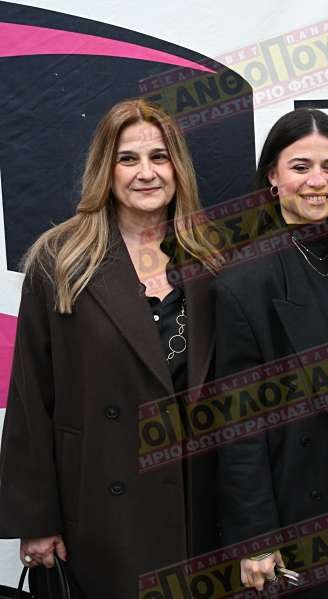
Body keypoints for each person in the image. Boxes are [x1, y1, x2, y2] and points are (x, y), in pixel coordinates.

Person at [0, 98, 223, 597]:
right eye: (128, 159)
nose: (146, 173)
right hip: (97, 509)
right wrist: (36, 519)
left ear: (178, 168)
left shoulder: (211, 259)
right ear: (106, 169)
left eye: (159, 157)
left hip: (195, 507)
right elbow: (31, 398)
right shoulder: (60, 260)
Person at [213, 108, 328, 595]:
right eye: (301, 167)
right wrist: (257, 538)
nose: (318, 181)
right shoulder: (245, 280)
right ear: (273, 177)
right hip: (298, 510)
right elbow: (238, 422)